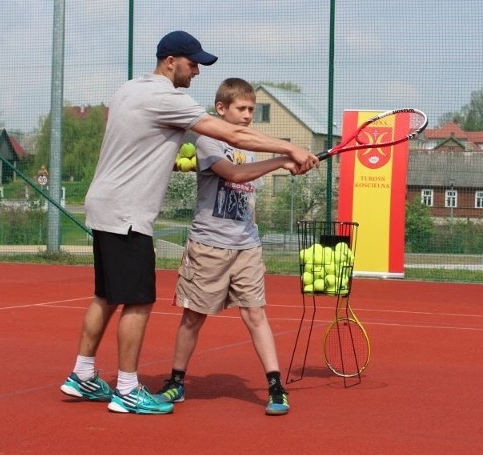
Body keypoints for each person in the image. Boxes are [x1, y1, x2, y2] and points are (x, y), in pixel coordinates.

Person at [59, 31, 318, 415]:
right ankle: (128, 389)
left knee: (108, 295)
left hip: (106, 205)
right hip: (128, 213)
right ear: (170, 62)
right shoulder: (166, 97)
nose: (196, 70)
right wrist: (289, 148)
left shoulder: (131, 88)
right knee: (138, 300)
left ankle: (82, 374)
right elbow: (231, 134)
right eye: (192, 63)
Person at [155, 78, 294, 415]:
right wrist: (282, 158)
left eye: (251, 109)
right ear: (221, 109)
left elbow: (250, 193)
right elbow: (234, 174)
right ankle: (176, 381)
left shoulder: (253, 147)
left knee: (256, 314)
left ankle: (276, 386)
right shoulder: (207, 141)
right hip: (208, 246)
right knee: (193, 317)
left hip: (247, 246)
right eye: (241, 109)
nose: (247, 115)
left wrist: (289, 163)